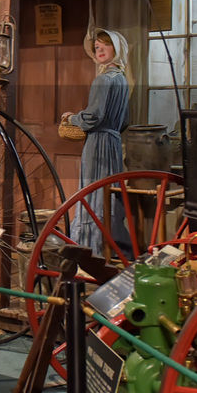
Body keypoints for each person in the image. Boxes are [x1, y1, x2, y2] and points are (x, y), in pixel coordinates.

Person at [62, 28, 131, 255]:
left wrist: (72, 117)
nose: (99, 49)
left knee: (92, 194)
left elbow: (93, 117)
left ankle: (89, 251)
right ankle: (110, 248)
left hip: (98, 145)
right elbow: (124, 121)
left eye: (105, 45)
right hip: (112, 143)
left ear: (117, 49)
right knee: (107, 194)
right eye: (97, 47)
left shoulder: (104, 79)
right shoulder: (122, 80)